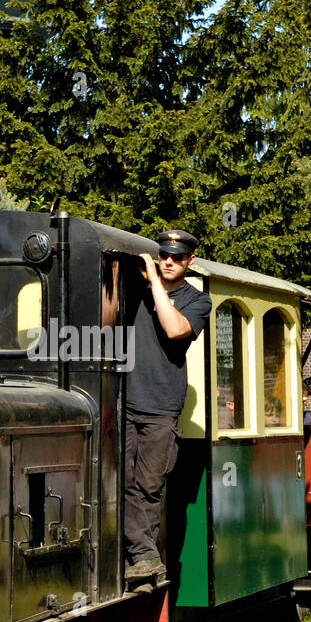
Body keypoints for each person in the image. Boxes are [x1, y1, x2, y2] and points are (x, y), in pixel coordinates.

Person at [124, 229, 212, 581]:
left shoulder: (197, 301)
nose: (169, 262)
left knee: (148, 484)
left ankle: (146, 559)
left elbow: (175, 330)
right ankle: (133, 556)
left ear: (190, 261)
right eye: (164, 256)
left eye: (177, 257)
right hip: (124, 401)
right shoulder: (137, 294)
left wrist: (156, 285)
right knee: (121, 482)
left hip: (160, 407)